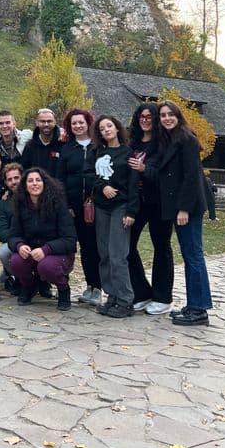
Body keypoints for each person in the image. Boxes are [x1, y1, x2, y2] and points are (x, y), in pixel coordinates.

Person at [156, 100, 213, 327]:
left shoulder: (187, 139)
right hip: (177, 206)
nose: (167, 118)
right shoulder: (169, 140)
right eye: (163, 115)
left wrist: (184, 208)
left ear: (178, 117)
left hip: (188, 207)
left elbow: (192, 177)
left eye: (171, 114)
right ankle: (193, 304)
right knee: (189, 256)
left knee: (193, 256)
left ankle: (199, 309)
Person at [127, 103, 174, 315]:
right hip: (137, 201)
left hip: (159, 202)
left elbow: (167, 175)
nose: (145, 120)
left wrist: (144, 169)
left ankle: (162, 297)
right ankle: (142, 292)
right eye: (142, 117)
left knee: (161, 247)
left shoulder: (163, 143)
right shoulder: (134, 143)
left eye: (149, 117)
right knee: (127, 246)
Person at [8, 167, 77, 311]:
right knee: (15, 261)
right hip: (32, 253)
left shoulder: (58, 204)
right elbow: (13, 236)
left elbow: (70, 240)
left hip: (57, 254)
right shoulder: (20, 205)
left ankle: (63, 288)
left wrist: (46, 249)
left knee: (46, 266)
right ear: (25, 186)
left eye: (38, 180)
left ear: (45, 183)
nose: (34, 184)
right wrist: (19, 245)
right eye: (30, 181)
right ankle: (29, 286)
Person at [92, 115, 139, 318]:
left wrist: (131, 211)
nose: (106, 130)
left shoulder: (128, 153)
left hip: (120, 206)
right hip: (102, 207)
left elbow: (133, 184)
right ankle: (111, 296)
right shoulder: (97, 152)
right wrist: (103, 186)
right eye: (102, 128)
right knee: (104, 254)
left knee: (117, 255)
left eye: (109, 126)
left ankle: (125, 300)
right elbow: (89, 174)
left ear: (117, 128)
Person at [57, 108, 100, 305]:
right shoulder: (66, 149)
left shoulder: (98, 146)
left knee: (95, 246)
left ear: (88, 123)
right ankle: (89, 285)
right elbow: (60, 179)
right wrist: (66, 205)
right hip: (74, 207)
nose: (78, 126)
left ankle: (98, 287)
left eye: (81, 122)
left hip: (96, 205)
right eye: (74, 123)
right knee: (83, 247)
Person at [0, 162, 22, 290]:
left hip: (37, 242)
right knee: (3, 252)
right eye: (10, 179)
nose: (14, 182)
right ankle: (18, 278)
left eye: (16, 178)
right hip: (16, 242)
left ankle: (42, 280)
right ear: (6, 183)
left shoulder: (35, 196)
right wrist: (19, 241)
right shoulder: (3, 203)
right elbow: (1, 232)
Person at [21, 108, 65, 177]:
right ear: (37, 123)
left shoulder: (62, 143)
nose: (46, 124)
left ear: (55, 122)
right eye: (42, 121)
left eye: (49, 121)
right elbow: (25, 171)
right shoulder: (30, 146)